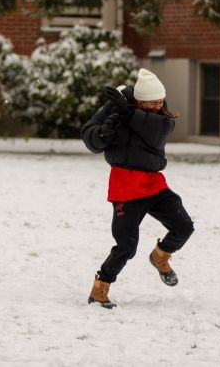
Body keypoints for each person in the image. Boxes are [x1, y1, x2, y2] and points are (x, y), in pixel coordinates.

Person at [81, 68, 195, 308]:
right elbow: (89, 135)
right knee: (126, 246)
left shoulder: (159, 115)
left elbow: (158, 131)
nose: (158, 106)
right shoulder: (118, 105)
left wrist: (128, 112)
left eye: (161, 102)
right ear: (139, 100)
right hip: (124, 187)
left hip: (153, 184)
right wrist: (103, 133)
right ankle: (100, 288)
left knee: (184, 227)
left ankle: (160, 256)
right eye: (153, 103)